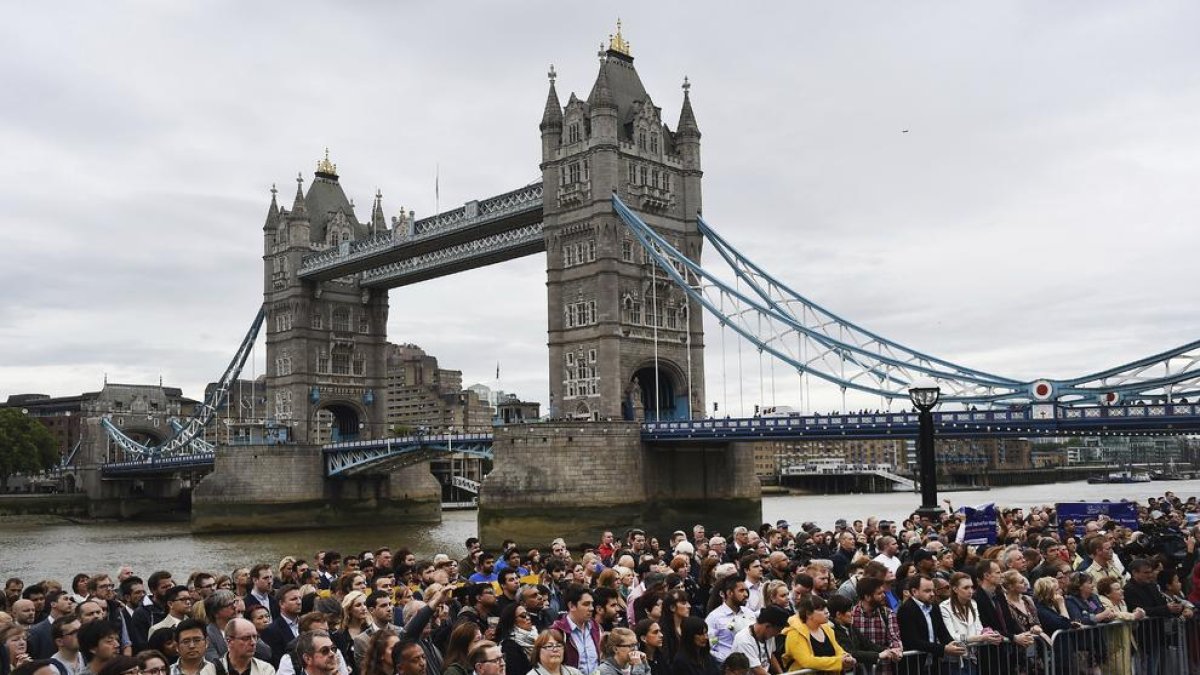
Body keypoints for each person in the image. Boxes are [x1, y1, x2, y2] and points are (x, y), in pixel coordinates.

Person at [895, 576, 964, 675]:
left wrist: (952, 643)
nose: (932, 594)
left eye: (933, 590)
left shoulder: (934, 607)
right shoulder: (906, 610)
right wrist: (943, 649)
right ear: (914, 591)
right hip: (913, 665)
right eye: (927, 591)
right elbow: (912, 641)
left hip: (933, 664)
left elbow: (942, 632)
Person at [826, 595, 901, 674]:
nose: (852, 613)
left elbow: (867, 643)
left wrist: (889, 651)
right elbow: (850, 652)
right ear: (838, 614)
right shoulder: (832, 630)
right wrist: (878, 655)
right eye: (848, 611)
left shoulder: (850, 626)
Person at [781, 596, 852, 675]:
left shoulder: (827, 628)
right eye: (821, 609)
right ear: (808, 614)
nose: (827, 612)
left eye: (826, 608)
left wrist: (845, 656)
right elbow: (807, 661)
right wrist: (838, 661)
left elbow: (837, 649)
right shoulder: (795, 633)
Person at [701, 578, 754, 666]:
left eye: (746, 590)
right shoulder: (715, 617)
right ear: (729, 593)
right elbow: (710, 645)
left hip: (751, 663)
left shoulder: (749, 613)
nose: (746, 594)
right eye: (741, 591)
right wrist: (726, 659)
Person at [549, 587, 599, 675]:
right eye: (586, 604)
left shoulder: (595, 627)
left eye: (592, 604)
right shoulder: (557, 632)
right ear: (572, 606)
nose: (591, 608)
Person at [728, 606, 786, 675]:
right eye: (778, 631)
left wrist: (782, 674)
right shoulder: (743, 640)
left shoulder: (769, 634)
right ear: (767, 626)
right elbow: (756, 669)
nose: (777, 634)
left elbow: (771, 656)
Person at [494, 604, 534, 675]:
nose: (528, 618)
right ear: (512, 620)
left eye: (528, 614)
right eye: (523, 616)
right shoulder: (509, 646)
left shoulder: (537, 636)